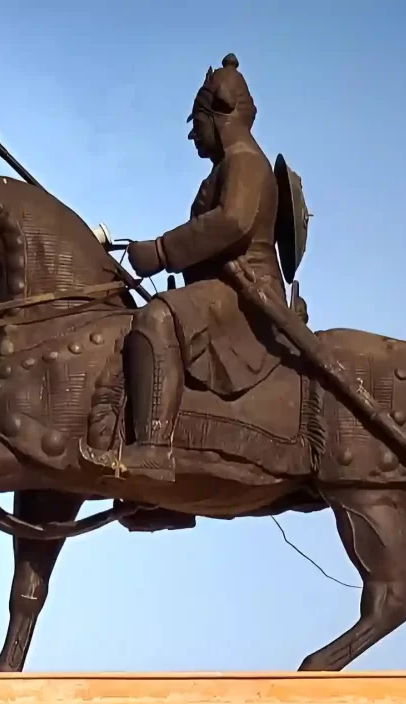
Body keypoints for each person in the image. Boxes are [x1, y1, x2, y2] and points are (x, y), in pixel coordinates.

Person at [119, 54, 288, 482]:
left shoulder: (245, 161)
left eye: (197, 120)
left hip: (245, 296)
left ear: (220, 113)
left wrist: (161, 251)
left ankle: (153, 450)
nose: (193, 132)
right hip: (222, 288)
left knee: (157, 318)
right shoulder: (227, 166)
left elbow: (231, 222)